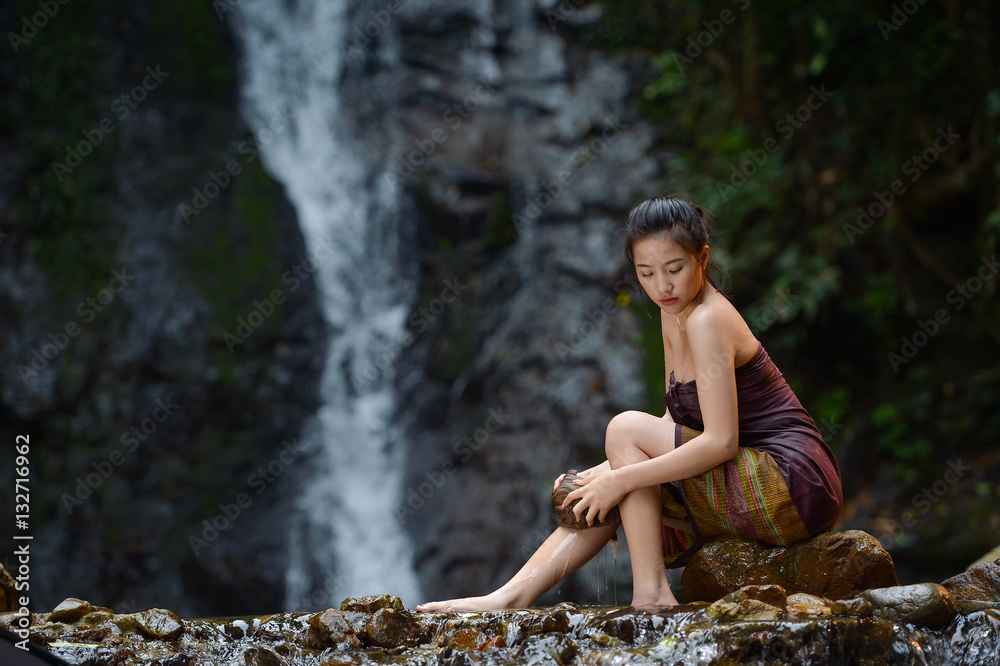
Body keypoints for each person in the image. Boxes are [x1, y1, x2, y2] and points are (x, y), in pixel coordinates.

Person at [416, 195, 843, 612]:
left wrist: (620, 480)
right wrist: (597, 479)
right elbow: (671, 426)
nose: (662, 285)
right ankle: (510, 596)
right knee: (603, 485)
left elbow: (720, 441)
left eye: (674, 269)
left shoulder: (708, 318)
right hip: (748, 477)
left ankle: (652, 594)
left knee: (623, 435)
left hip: (792, 479)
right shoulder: (672, 312)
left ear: (703, 257)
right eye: (647, 273)